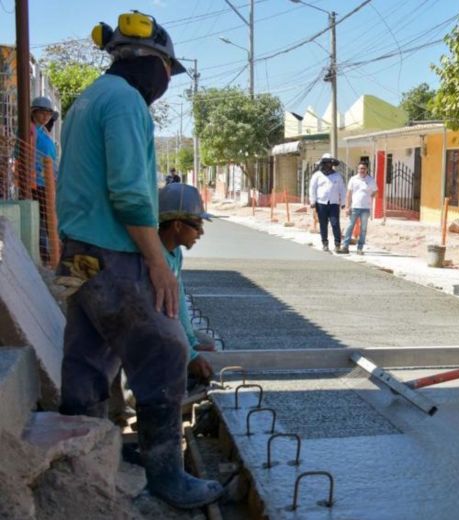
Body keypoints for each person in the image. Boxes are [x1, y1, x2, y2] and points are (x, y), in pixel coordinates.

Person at [56, 11, 223, 509]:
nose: (166, 83)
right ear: (150, 62)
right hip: (112, 253)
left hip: (76, 252)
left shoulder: (88, 98)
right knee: (165, 347)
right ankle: (167, 475)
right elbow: (129, 193)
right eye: (167, 73)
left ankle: (86, 458)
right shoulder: (127, 103)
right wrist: (154, 260)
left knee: (89, 354)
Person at [157, 183, 215, 381]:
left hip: (163, 322)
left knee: (205, 341)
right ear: (178, 225)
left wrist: (191, 342)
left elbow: (178, 298)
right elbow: (162, 315)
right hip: (149, 326)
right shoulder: (154, 257)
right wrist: (189, 355)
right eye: (197, 225)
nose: (201, 233)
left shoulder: (175, 253)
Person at [30, 96, 58, 262]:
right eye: (43, 113)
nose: (46, 117)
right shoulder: (30, 130)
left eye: (48, 114)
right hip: (37, 182)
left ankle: (49, 253)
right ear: (34, 112)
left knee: (48, 217)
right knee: (43, 219)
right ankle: (46, 255)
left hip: (48, 181)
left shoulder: (43, 131)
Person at [308, 153, 346, 252]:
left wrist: (343, 202)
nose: (328, 165)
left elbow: (342, 189)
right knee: (323, 224)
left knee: (335, 223)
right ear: (323, 163)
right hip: (321, 204)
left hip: (334, 203)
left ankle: (337, 244)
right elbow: (312, 189)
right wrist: (312, 201)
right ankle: (325, 243)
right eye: (326, 163)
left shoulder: (337, 176)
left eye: (330, 163)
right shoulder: (317, 175)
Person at [339, 161, 378, 255]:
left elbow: (376, 191)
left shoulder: (371, 180)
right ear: (358, 169)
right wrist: (347, 207)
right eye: (360, 168)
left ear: (366, 169)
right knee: (349, 227)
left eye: (364, 168)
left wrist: (369, 197)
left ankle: (360, 248)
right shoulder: (353, 179)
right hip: (355, 207)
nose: (362, 170)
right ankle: (345, 247)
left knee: (363, 228)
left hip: (365, 208)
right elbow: (348, 194)